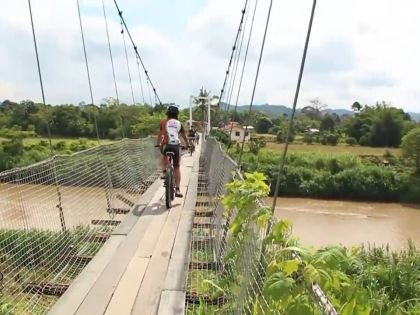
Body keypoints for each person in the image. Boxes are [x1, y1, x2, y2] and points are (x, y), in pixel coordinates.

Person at [156, 105, 190, 198]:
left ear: (168, 114)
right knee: (176, 167)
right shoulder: (179, 123)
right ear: (176, 114)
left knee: (163, 154)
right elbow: (184, 137)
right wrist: (187, 145)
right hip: (175, 146)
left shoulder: (163, 122)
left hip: (165, 145)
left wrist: (158, 143)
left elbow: (160, 134)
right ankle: (178, 189)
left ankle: (164, 171)